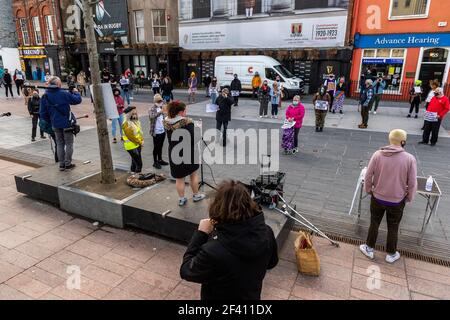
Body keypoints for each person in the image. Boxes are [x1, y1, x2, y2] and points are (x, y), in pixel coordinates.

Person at [180, 180, 279, 300]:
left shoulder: (214, 251)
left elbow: (186, 271)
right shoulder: (267, 232)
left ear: (218, 207)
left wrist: (201, 234)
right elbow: (271, 263)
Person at [360, 129, 417, 264]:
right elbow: (412, 182)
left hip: (377, 197)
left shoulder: (378, 154)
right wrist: (409, 197)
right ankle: (391, 253)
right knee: (393, 226)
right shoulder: (409, 159)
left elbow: (368, 175)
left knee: (374, 222)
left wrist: (368, 189)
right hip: (397, 200)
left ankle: (369, 248)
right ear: (403, 141)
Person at [163, 100, 205, 206]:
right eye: (185, 110)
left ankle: (181, 199)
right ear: (181, 112)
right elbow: (193, 139)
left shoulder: (166, 122)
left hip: (174, 153)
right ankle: (196, 195)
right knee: (193, 174)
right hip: (188, 152)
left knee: (179, 178)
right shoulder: (187, 122)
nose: (186, 112)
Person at [40, 76, 82, 171]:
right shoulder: (63, 93)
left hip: (55, 124)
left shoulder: (45, 96)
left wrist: (51, 120)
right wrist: (76, 92)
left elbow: (42, 114)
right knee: (69, 144)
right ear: (58, 84)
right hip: (66, 123)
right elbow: (77, 100)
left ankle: (61, 164)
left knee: (59, 144)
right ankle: (68, 164)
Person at [122, 106, 144, 174]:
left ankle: (132, 174)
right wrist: (140, 142)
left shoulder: (134, 121)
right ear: (129, 114)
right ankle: (137, 178)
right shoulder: (126, 124)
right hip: (131, 146)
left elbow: (139, 133)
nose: (135, 115)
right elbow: (131, 137)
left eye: (135, 113)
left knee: (134, 161)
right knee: (139, 164)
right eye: (133, 113)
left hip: (137, 145)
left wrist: (142, 140)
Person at [149, 94, 169, 169]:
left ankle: (160, 160)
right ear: (155, 101)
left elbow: (163, 118)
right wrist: (160, 112)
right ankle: (155, 162)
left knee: (161, 146)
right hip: (156, 131)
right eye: (158, 101)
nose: (160, 102)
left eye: (161, 101)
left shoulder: (161, 107)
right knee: (156, 147)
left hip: (163, 131)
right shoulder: (152, 108)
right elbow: (151, 117)